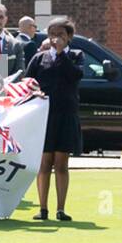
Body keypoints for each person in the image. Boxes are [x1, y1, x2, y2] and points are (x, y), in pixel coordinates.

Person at [26, 17, 84, 222]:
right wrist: (36, 92)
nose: (55, 38)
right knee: (44, 162)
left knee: (61, 163)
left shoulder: (76, 55)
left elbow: (75, 75)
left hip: (66, 114)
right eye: (52, 34)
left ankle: (61, 208)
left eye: (60, 34)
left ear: (69, 37)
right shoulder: (39, 58)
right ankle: (43, 208)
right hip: (45, 115)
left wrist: (61, 54)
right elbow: (28, 81)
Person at [0, 3, 25, 78]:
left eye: (1, 17)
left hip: (8, 88)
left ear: (6, 19)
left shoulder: (15, 45)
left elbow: (20, 72)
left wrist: (6, 85)